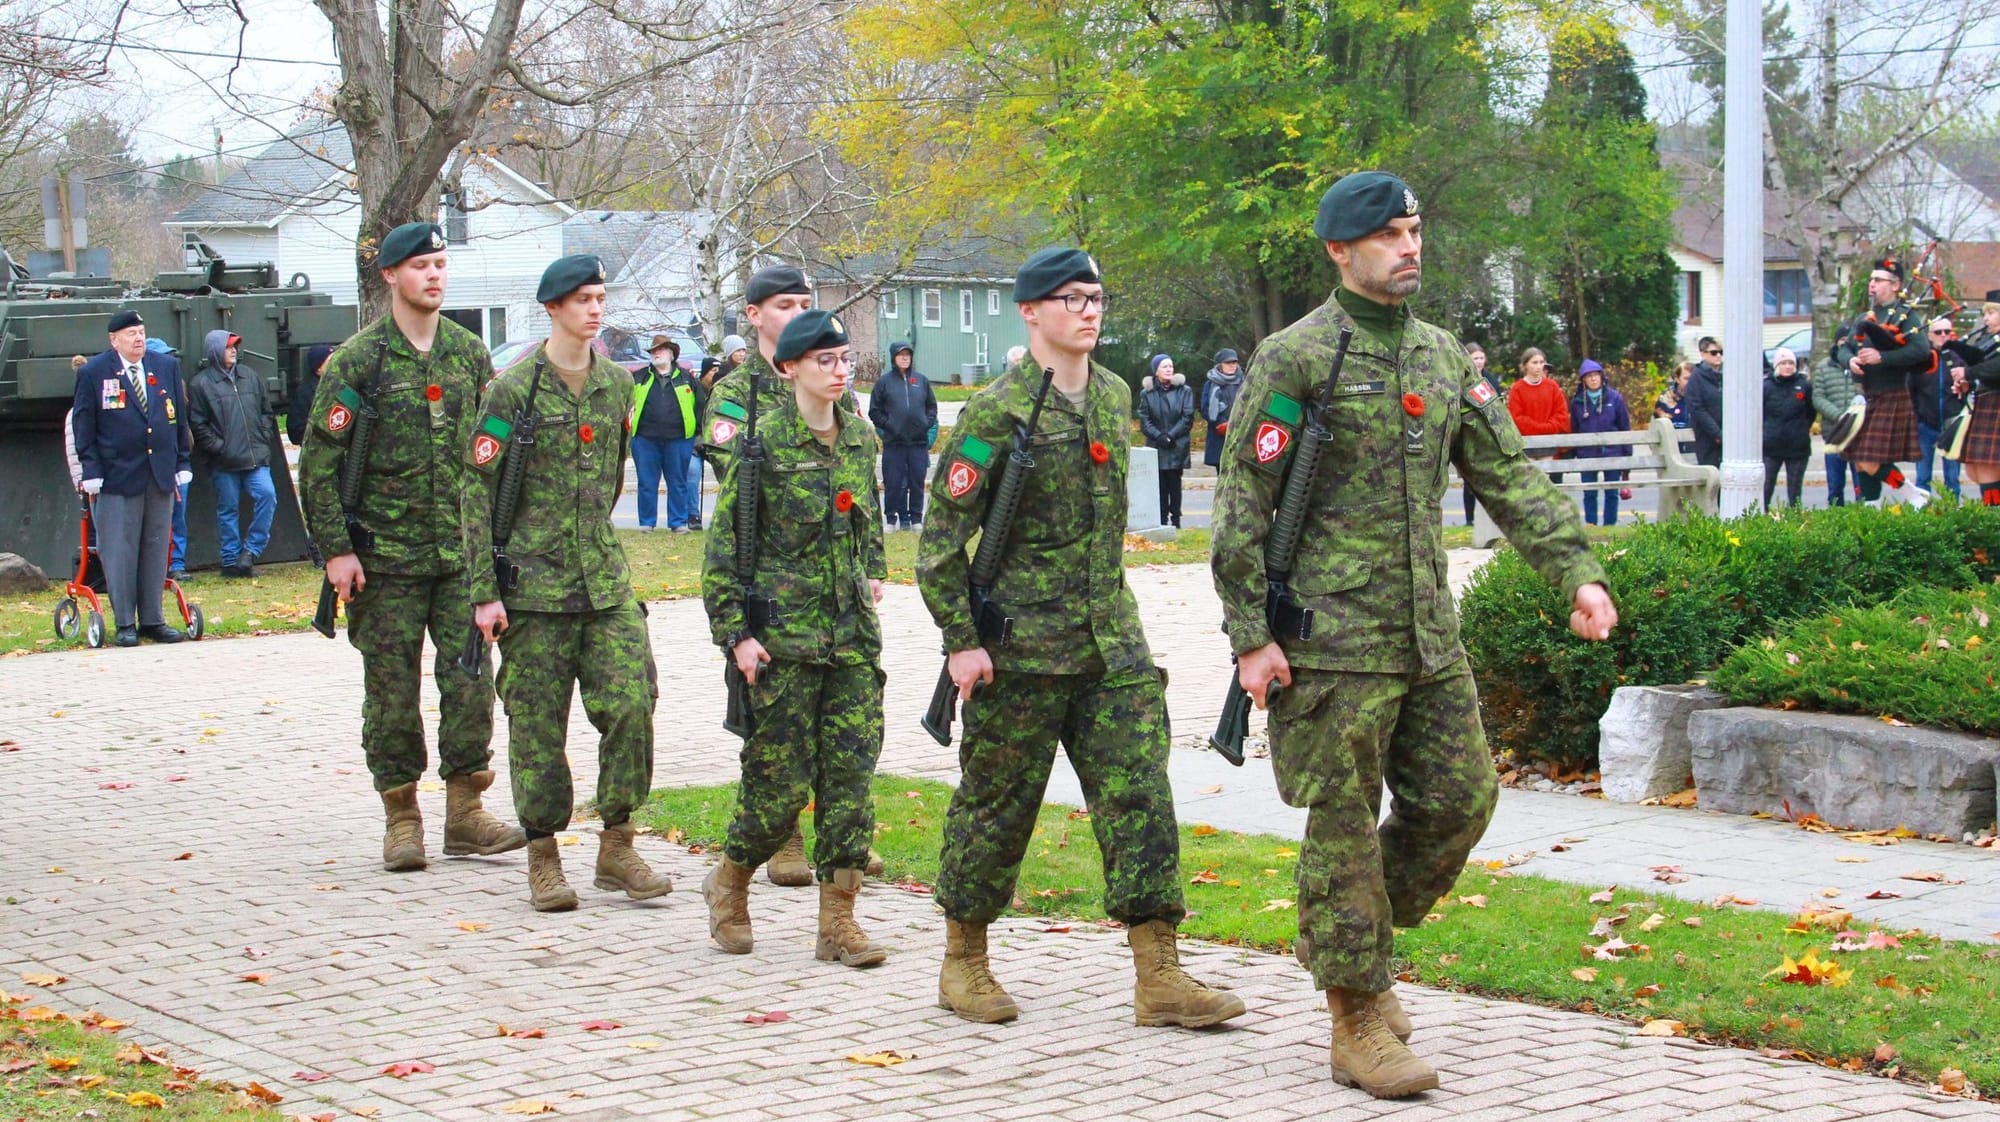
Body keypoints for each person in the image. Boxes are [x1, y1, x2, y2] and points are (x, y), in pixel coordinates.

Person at [1211, 172, 1614, 1099]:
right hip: (1328, 647)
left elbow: (1508, 477)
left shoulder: (1441, 358)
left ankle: (1353, 945)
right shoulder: (1294, 359)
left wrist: (1578, 572)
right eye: (1389, 234)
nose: (1409, 247)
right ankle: (1357, 1018)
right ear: (1339, 251)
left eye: (1415, 229)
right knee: (1344, 830)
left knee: (1461, 801)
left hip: (1429, 641)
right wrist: (1250, 638)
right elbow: (1242, 510)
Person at [919, 247, 1244, 1030]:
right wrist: (962, 640)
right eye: (1071, 299)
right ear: (1031, 311)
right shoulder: (995, 414)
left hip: (1111, 646)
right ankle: (964, 960)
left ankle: (1159, 972)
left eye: (1097, 297)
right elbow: (938, 545)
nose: (1090, 311)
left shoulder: (1112, 394)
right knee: (997, 807)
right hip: (1020, 651)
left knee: (1141, 799)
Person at [297, 223, 521, 872]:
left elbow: (491, 456)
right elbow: (317, 464)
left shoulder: (467, 355)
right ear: (390, 275)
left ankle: (465, 813)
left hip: (459, 562)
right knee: (391, 692)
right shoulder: (358, 362)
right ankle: (401, 816)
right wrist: (337, 550)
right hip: (384, 563)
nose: (434, 275)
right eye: (420, 265)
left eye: (440, 263)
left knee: (470, 687)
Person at [463, 254, 668, 912]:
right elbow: (476, 490)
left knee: (633, 705)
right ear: (552, 307)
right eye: (581, 298)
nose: (594, 308)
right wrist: (483, 591)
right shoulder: (513, 390)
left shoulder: (615, 385)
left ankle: (617, 844)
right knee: (538, 729)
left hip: (604, 584)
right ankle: (545, 854)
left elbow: (609, 479)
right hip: (533, 590)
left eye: (600, 296)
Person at [701, 309, 890, 968]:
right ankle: (729, 881)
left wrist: (873, 575)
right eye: (824, 361)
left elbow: (868, 521)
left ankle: (838, 921)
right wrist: (736, 636)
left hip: (851, 644)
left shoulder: (861, 440)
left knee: (851, 784)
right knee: (776, 790)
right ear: (789, 369)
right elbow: (723, 553)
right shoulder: (761, 444)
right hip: (782, 644)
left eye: (844, 360)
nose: (839, 371)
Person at [696, 264, 824, 889]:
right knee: (771, 717)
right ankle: (782, 836)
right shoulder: (733, 393)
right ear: (754, 315)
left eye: (805, 303)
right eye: (784, 305)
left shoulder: (828, 380)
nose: (797, 313)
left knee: (833, 713)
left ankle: (831, 832)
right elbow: (736, 476)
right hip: (762, 574)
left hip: (822, 577)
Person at [71, 310, 193, 647]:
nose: (138, 338)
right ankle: (125, 621)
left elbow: (177, 418)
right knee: (120, 550)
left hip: (159, 475)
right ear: (114, 340)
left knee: (155, 549)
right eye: (130, 334)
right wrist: (91, 470)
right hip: (116, 476)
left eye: (141, 331)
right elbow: (85, 424)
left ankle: (153, 618)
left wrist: (181, 460)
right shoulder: (95, 373)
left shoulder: (164, 367)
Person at [1835, 256, 1930, 505]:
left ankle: (1914, 496)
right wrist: (1850, 361)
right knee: (1862, 458)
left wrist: (1883, 357)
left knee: (1867, 457)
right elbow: (1844, 349)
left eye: (1878, 280)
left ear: (1895, 285)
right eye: (1871, 280)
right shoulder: (1865, 317)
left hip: (1892, 393)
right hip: (1868, 396)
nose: (1872, 284)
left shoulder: (1905, 315)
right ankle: (1871, 509)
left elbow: (1922, 350)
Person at [189, 330, 278, 578]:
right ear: (215, 351)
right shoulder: (201, 384)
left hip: (254, 457)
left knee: (267, 496)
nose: (234, 350)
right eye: (228, 347)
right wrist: (219, 448)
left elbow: (265, 411)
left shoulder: (249, 376)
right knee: (227, 509)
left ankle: (250, 551)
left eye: (235, 346)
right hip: (223, 461)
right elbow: (198, 423)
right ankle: (230, 562)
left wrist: (261, 438)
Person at [631, 334, 705, 532]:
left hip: (679, 440)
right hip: (644, 439)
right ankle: (646, 523)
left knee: (678, 482)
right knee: (646, 482)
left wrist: (698, 437)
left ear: (671, 354)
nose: (656, 353)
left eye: (660, 349)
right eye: (653, 350)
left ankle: (678, 523)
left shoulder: (688, 379)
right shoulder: (639, 377)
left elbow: (700, 408)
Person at [870, 341, 938, 531]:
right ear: (894, 358)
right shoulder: (884, 383)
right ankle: (891, 519)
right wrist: (889, 426)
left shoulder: (921, 381)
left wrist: (926, 423)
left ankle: (916, 519)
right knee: (893, 482)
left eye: (908, 355)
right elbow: (874, 412)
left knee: (917, 480)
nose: (905, 358)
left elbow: (932, 407)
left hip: (918, 443)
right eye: (901, 355)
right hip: (894, 443)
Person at [1567, 359, 1630, 526]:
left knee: (1611, 492)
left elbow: (1625, 427)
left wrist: (1627, 455)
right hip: (1587, 453)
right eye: (1589, 376)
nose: (1593, 379)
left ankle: (1610, 525)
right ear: (1583, 380)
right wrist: (1575, 453)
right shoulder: (1577, 402)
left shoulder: (1615, 398)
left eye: (1596, 375)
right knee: (1589, 492)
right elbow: (1574, 428)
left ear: (1602, 377)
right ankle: (1591, 525)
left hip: (1612, 452)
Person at [1137, 353, 1194, 527]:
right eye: (1164, 366)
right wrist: (1159, 436)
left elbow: (1187, 416)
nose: (1169, 369)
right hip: (1157, 445)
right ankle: (1161, 521)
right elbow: (1144, 420)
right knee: (1160, 486)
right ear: (1156, 371)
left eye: (1171, 366)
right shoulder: (1147, 393)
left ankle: (1176, 521)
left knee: (1175, 484)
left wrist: (1171, 435)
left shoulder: (1185, 391)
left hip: (1177, 444)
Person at [1954, 300, 2000, 505]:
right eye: (1985, 313)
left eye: (1992, 313)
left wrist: (1968, 373)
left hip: (1996, 405)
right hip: (1984, 402)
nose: (1986, 318)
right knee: (1975, 469)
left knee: (1987, 467)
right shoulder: (1986, 339)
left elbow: (1995, 368)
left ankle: (1993, 516)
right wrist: (1968, 384)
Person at [1914, 316, 1965, 499]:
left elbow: (1969, 386)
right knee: (1923, 475)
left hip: (1951, 422)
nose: (1943, 336)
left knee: (1952, 476)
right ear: (1929, 335)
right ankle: (1921, 514)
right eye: (1938, 332)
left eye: (1947, 332)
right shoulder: (1922, 360)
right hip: (1926, 423)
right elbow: (1910, 389)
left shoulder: (1958, 358)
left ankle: (1952, 512)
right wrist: (1916, 418)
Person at [1812, 326, 1862, 506]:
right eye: (1842, 341)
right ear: (1836, 342)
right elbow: (1818, 397)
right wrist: (1839, 417)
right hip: (1834, 433)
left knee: (1861, 485)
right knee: (1835, 485)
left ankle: (1863, 519)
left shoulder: (1862, 366)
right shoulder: (1824, 367)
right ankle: (1836, 520)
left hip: (1859, 435)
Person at [1506, 346, 1569, 482]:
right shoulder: (1517, 389)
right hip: (1526, 444)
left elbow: (1561, 414)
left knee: (1544, 483)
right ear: (1525, 365)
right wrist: (1539, 427)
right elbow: (1517, 418)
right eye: (1534, 362)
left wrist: (1548, 427)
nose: (1539, 366)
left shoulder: (1552, 386)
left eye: (1541, 362)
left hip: (1548, 443)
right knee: (1529, 484)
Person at [1762, 347, 1815, 508]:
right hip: (1771, 446)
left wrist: (1802, 429)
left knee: (1795, 491)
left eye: (1791, 363)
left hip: (1797, 447)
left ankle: (1795, 521)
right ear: (1777, 365)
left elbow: (1811, 412)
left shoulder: (1804, 385)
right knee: (1766, 488)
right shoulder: (1766, 386)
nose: (1788, 366)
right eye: (1784, 363)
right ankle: (1761, 520)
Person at [1460, 343, 1498, 525]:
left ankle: (1490, 520)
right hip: (1468, 433)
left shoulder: (1491, 380)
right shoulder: (1461, 378)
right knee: (1470, 482)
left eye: (1481, 358)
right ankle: (1469, 520)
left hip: (1487, 434)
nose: (1479, 361)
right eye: (1475, 358)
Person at [1200, 348, 1244, 471]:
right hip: (1218, 434)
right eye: (1228, 363)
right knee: (1222, 474)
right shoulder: (1210, 384)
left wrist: (1235, 423)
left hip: (1240, 433)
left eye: (1234, 362)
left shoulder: (1244, 382)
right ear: (1219, 365)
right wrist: (1221, 423)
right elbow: (1205, 408)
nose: (1232, 366)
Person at [1683, 337, 1725, 467]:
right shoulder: (1696, 378)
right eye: (1713, 352)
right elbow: (1697, 409)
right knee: (1712, 478)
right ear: (1703, 354)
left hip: (1728, 436)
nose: (1718, 355)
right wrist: (1717, 433)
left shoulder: (1727, 375)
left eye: (1721, 352)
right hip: (1707, 438)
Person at [290, 343, 337, 448]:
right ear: (318, 368)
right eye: (330, 361)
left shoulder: (345, 387)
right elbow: (296, 432)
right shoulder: (305, 393)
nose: (335, 365)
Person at [1653, 362, 1691, 428]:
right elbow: (1660, 424)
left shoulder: (1702, 396)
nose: (1691, 382)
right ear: (1677, 379)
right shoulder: (1666, 398)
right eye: (1686, 379)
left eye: (1693, 378)